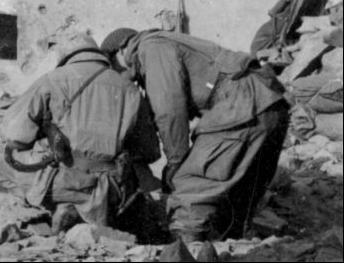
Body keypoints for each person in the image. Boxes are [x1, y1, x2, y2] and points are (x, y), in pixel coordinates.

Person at [101, 28, 288, 242]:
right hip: (270, 103)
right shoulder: (167, 43)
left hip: (242, 103)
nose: (115, 72)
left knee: (190, 185)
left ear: (121, 49)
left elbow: (169, 110)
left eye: (112, 64)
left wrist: (176, 162)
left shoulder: (150, 48)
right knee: (235, 197)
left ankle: (186, 250)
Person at [0, 32, 161, 235]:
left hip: (61, 180)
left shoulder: (52, 80)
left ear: (64, 56)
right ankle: (91, 213)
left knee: (1, 168)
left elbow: (15, 137)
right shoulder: (130, 90)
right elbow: (149, 152)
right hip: (111, 188)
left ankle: (57, 207)